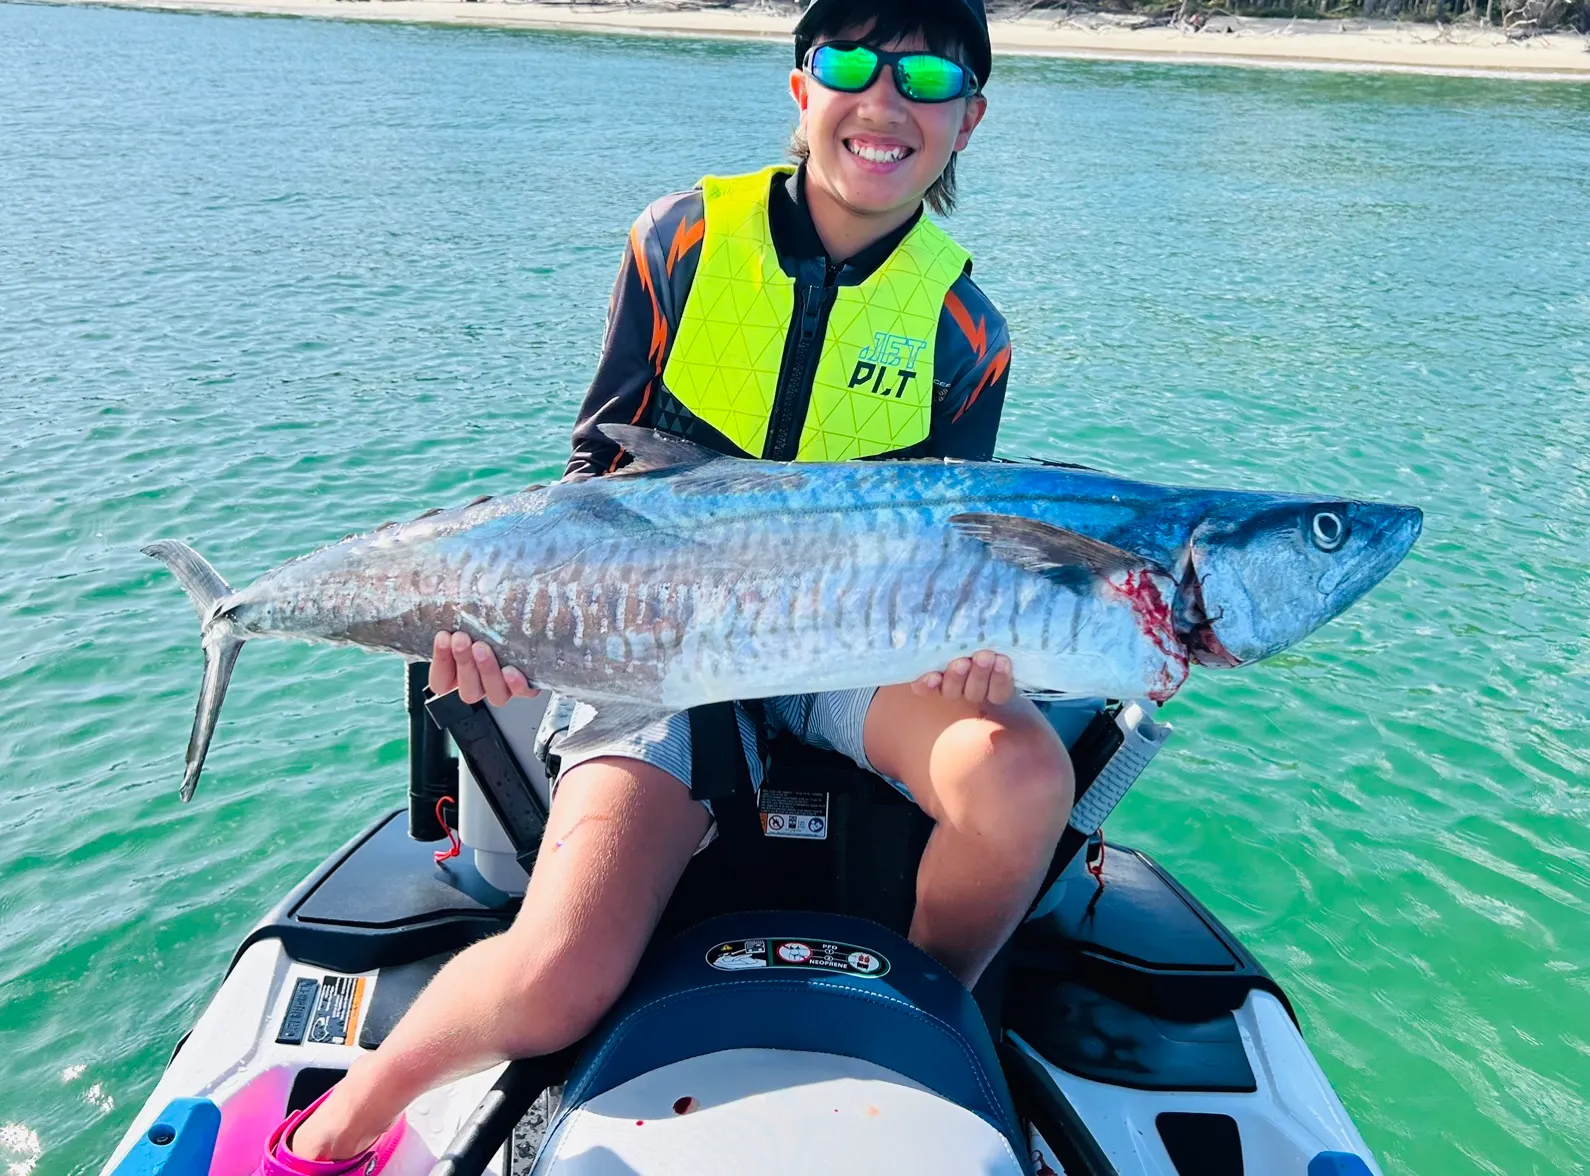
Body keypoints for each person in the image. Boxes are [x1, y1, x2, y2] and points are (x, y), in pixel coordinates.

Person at [276, 0, 1074, 1167]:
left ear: (971, 119)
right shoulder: (682, 237)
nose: (885, 98)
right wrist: (521, 634)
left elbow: (943, 541)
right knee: (557, 980)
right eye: (850, 61)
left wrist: (974, 647)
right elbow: (594, 475)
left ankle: (917, 1012)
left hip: (841, 644)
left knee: (1021, 775)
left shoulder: (968, 329)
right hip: (648, 638)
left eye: (928, 76)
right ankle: (338, 1123)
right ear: (803, 90)